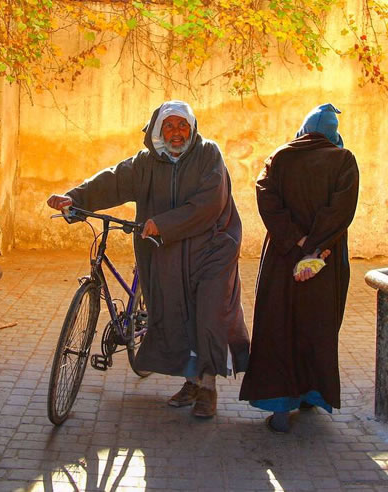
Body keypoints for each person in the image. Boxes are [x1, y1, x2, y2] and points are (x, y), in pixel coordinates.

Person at [46, 101, 249, 419]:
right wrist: (76, 197)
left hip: (211, 249)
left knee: (207, 315)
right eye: (169, 126)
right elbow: (113, 180)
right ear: (157, 131)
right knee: (175, 314)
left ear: (192, 128)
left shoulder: (209, 155)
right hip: (166, 251)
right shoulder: (146, 163)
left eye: (182, 125)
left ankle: (208, 388)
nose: (177, 133)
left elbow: (210, 204)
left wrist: (165, 223)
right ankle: (191, 381)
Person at [239, 103, 359, 433]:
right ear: (333, 134)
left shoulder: (279, 157)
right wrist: (316, 248)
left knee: (277, 327)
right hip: (326, 261)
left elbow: (266, 198)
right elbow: (341, 210)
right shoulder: (344, 159)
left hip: (282, 258)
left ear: (303, 130)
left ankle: (279, 411)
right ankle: (310, 395)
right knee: (316, 327)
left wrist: (296, 241)